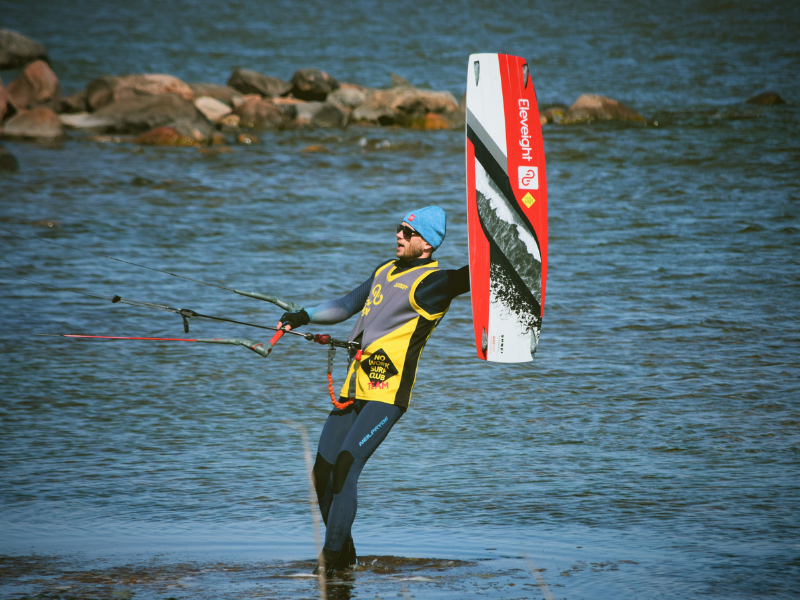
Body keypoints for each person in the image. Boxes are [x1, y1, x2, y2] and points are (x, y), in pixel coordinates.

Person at [279, 205, 469, 575]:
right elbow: (347, 304)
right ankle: (345, 557)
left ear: (426, 243)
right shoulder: (386, 269)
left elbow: (471, 277)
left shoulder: (435, 284)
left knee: (347, 468)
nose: (398, 235)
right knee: (322, 472)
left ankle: (328, 564)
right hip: (355, 386)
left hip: (387, 395)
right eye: (399, 228)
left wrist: (502, 251)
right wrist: (303, 314)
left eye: (407, 232)